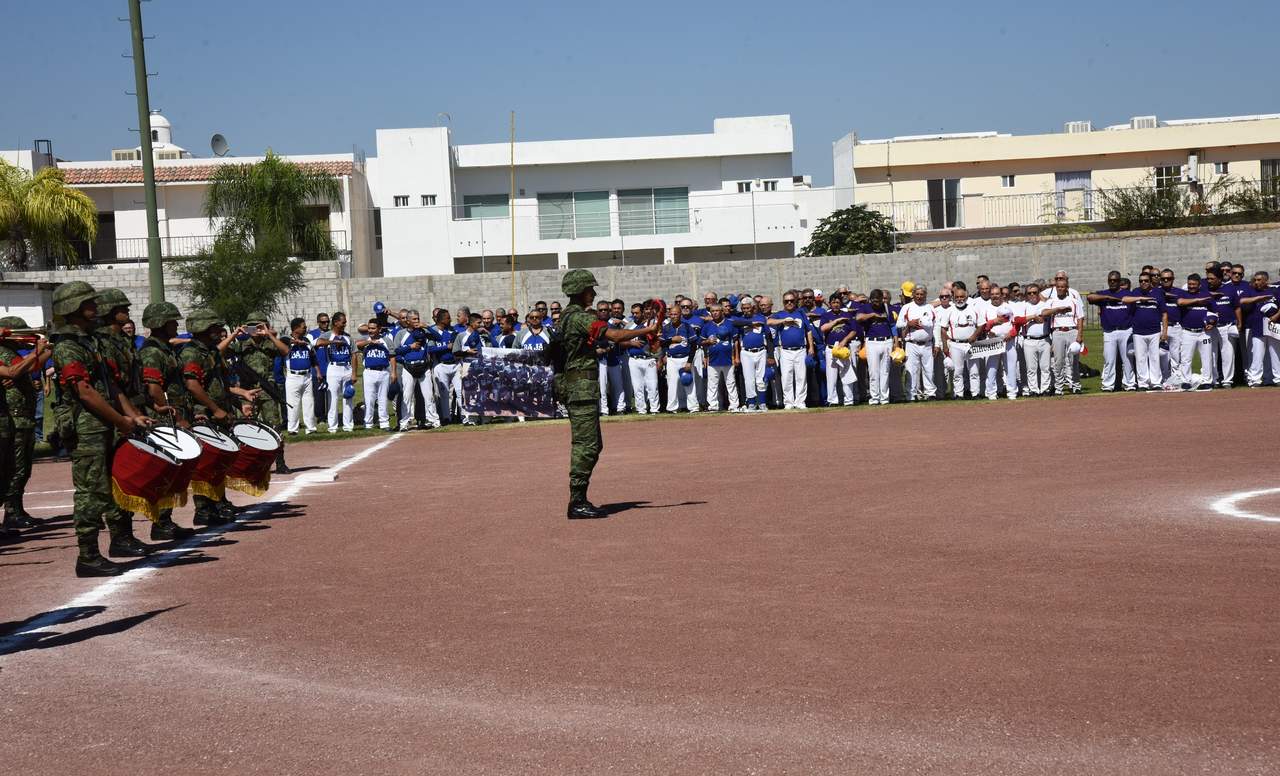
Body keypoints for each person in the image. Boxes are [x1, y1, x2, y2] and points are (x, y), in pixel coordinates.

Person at [49, 282, 153, 576]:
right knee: (91, 492)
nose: (95, 306)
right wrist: (121, 421)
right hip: (86, 429)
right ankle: (88, 556)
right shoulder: (67, 346)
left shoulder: (91, 342)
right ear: (73, 307)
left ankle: (117, 541)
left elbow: (111, 386)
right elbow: (84, 392)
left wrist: (132, 416)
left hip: (104, 425)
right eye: (88, 302)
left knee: (112, 484)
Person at [553, 269, 659, 519]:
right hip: (581, 389)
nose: (593, 293)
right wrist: (647, 330)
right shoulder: (579, 317)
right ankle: (577, 502)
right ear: (580, 291)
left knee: (592, 445)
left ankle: (579, 499)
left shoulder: (568, 316)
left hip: (579, 387)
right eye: (590, 289)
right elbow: (614, 334)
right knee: (586, 446)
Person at [183, 309, 259, 525]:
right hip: (203, 414)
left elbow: (221, 385)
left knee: (219, 462)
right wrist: (214, 409)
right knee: (205, 462)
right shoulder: (191, 353)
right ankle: (203, 509)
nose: (219, 330)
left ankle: (218, 502)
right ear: (203, 328)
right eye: (214, 327)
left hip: (220, 412)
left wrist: (239, 402)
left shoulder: (212, 352)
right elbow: (192, 385)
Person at [136, 301, 197, 540]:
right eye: (172, 321)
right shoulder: (152, 352)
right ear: (160, 324)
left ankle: (164, 520)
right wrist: (176, 417)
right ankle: (159, 523)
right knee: (163, 469)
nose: (176, 325)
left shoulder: (164, 349)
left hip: (173, 415)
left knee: (172, 469)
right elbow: (154, 388)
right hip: (162, 419)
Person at [0, 317, 50, 535]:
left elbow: (33, 366)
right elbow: (14, 372)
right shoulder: (2, 352)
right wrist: (36, 351)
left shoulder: (11, 353)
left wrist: (45, 348)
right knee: (14, 469)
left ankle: (17, 510)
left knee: (22, 469)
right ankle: (12, 513)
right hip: (15, 418)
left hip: (24, 417)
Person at [232, 312, 291, 471]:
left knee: (274, 426)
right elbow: (220, 351)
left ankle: (280, 462)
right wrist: (235, 334)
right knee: (246, 426)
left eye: (258, 326)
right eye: (252, 326)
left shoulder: (270, 344)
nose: (255, 329)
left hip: (267, 390)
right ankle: (246, 463)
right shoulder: (241, 345)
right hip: (247, 390)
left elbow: (285, 351)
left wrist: (269, 334)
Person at [1085, 271, 1136, 392]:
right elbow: (1089, 297)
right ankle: (1108, 385)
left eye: (1115, 280)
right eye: (1110, 280)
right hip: (1109, 332)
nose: (1112, 282)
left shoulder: (1127, 294)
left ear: (1119, 281)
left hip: (1126, 330)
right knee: (1109, 360)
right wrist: (1106, 298)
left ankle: (1129, 384)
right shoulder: (1104, 293)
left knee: (1127, 360)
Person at [393, 311, 441, 431]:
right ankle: (405, 422)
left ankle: (433, 420)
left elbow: (439, 338)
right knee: (407, 396)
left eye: (418, 319)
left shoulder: (423, 332)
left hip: (424, 367)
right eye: (414, 319)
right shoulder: (401, 333)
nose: (417, 321)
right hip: (408, 367)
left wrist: (427, 327)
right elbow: (395, 351)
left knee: (429, 395)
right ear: (408, 321)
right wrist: (410, 347)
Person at [766, 291, 814, 409]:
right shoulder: (780, 314)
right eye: (786, 301)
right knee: (786, 377)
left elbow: (808, 330)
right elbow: (768, 322)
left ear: (795, 301)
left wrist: (811, 347)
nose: (789, 303)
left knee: (801, 377)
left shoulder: (800, 313)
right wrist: (783, 321)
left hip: (801, 349)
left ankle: (800, 401)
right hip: (785, 350)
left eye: (791, 301)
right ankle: (788, 402)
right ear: (783, 302)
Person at [1041, 272, 1085, 395]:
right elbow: (1043, 313)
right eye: (1058, 287)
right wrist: (1057, 310)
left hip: (1072, 331)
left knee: (1073, 361)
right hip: (1058, 332)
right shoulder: (1052, 301)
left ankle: (1076, 385)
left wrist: (1080, 335)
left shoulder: (1074, 300)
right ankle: (1059, 387)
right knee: (1058, 361)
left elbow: (1080, 318)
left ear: (1067, 288)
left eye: (1063, 287)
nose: (1060, 289)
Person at [1121, 276, 1164, 390]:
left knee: (1154, 357)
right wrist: (1140, 298)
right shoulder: (1136, 292)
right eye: (1141, 281)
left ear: (1150, 282)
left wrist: (1164, 331)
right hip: (1138, 331)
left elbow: (1164, 313)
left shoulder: (1158, 292)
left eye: (1146, 281)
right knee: (1140, 358)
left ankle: (1156, 382)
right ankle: (1143, 383)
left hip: (1154, 330)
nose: (1143, 283)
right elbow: (1124, 299)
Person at [314, 312, 356, 432]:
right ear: (336, 322)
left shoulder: (348, 337)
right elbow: (318, 343)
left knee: (348, 396)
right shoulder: (328, 335)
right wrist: (334, 342)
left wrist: (354, 373)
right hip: (333, 368)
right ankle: (332, 427)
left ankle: (348, 426)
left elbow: (354, 355)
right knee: (332, 398)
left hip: (347, 368)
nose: (345, 324)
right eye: (343, 322)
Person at [730, 297, 772, 412]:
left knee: (761, 379)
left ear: (753, 307)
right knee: (749, 380)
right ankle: (752, 403)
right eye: (743, 308)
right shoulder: (740, 320)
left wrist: (770, 355)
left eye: (748, 308)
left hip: (761, 351)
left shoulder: (760, 318)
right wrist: (750, 323)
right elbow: (733, 322)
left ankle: (762, 403)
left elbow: (768, 337)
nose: (746, 310)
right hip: (746, 353)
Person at [940, 281, 980, 399]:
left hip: (971, 344)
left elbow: (981, 324)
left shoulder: (973, 309)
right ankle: (959, 394)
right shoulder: (949, 310)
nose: (959, 299)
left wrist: (975, 335)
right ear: (953, 297)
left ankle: (975, 393)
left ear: (966, 297)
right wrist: (945, 346)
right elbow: (943, 329)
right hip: (955, 344)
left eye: (962, 297)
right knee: (958, 371)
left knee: (974, 371)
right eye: (957, 297)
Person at [817, 293, 859, 406]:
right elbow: (823, 328)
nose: (835, 304)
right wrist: (836, 321)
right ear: (830, 304)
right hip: (831, 349)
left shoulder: (847, 314)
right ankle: (833, 400)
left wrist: (845, 340)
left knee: (846, 374)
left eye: (837, 302)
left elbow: (854, 331)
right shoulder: (826, 315)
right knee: (831, 376)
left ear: (841, 303)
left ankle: (849, 400)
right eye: (833, 302)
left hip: (844, 348)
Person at [1239, 271, 1279, 387]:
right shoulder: (1251, 290)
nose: (1256, 282)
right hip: (1257, 327)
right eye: (1255, 280)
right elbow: (1242, 301)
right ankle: (1255, 379)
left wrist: (1276, 316)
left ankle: (1277, 378)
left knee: (1275, 354)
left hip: (1273, 326)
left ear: (1266, 280)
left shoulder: (1274, 291)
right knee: (1257, 354)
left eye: (1259, 280)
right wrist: (1258, 298)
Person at [858, 289, 898, 406]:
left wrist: (896, 342)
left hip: (887, 340)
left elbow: (892, 326)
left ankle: (884, 398)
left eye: (879, 301)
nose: (877, 303)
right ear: (870, 299)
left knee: (885, 371)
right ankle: (874, 397)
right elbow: (858, 318)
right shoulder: (865, 307)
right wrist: (872, 315)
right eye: (874, 301)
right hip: (872, 341)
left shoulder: (886, 308)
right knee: (873, 372)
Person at [1175, 274, 1215, 390]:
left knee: (1206, 357)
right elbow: (1180, 302)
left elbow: (1215, 312)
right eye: (1190, 284)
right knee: (1186, 358)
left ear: (1199, 285)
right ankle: (1185, 381)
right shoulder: (1183, 293)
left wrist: (1212, 323)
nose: (1191, 286)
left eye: (1194, 284)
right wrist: (1197, 300)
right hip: (1187, 332)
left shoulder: (1206, 295)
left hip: (1204, 332)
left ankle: (1207, 381)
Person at [897, 285, 936, 401]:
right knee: (911, 370)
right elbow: (899, 324)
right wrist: (908, 324)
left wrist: (937, 344)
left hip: (927, 343)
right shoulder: (907, 307)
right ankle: (911, 394)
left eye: (922, 294)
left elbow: (936, 325)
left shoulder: (930, 307)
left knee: (929, 370)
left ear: (925, 295)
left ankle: (930, 393)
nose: (919, 296)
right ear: (913, 295)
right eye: (917, 294)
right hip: (911, 343)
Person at [1011, 283, 1051, 396]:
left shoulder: (1045, 304)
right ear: (1026, 294)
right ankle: (1033, 389)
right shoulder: (1024, 305)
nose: (1032, 295)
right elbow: (1017, 320)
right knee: (1031, 368)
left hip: (1044, 339)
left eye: (1035, 292)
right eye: (1029, 293)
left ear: (1039, 293)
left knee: (1045, 367)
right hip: (1029, 340)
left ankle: (1045, 389)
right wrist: (1033, 317)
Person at [700, 302, 740, 412]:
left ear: (722, 312)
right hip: (713, 359)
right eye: (713, 311)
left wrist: (736, 356)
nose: (715, 313)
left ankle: (734, 406)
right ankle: (713, 406)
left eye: (717, 311)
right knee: (712, 384)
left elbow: (735, 341)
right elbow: (701, 342)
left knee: (731, 383)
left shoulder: (730, 324)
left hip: (728, 358)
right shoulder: (707, 326)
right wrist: (707, 342)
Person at [283, 318, 320, 435]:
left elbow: (313, 358)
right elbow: (283, 341)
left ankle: (311, 428)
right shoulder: (286, 340)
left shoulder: (307, 340)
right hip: (293, 376)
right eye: (303, 327)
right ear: (296, 328)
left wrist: (318, 372)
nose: (305, 328)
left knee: (309, 403)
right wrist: (297, 342)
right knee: (293, 404)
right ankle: (293, 429)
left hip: (307, 376)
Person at [1205, 266, 1241, 388]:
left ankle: (1227, 381)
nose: (1209, 281)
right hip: (1211, 328)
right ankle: (1214, 380)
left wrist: (1239, 322)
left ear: (1220, 279)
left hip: (1227, 326)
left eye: (1212, 279)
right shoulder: (1204, 289)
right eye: (1208, 278)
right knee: (1211, 354)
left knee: (1228, 355)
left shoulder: (1230, 289)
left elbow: (1237, 307)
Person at [623, 302, 661, 415]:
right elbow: (620, 342)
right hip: (634, 359)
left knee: (652, 386)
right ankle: (641, 409)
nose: (635, 315)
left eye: (637, 313)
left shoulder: (650, 324)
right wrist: (631, 343)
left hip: (649, 358)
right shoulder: (629, 326)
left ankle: (654, 409)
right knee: (637, 386)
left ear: (643, 312)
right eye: (633, 313)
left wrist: (659, 358)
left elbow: (658, 341)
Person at [357, 318, 395, 430]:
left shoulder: (386, 340)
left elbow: (392, 356)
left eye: (373, 328)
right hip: (369, 372)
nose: (370, 330)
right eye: (369, 328)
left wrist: (393, 372)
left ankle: (384, 423)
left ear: (379, 329)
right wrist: (370, 342)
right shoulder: (366, 340)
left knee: (383, 399)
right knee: (369, 399)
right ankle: (368, 423)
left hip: (383, 372)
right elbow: (357, 345)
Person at [661, 304, 699, 413]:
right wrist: (672, 340)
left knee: (689, 382)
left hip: (685, 358)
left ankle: (693, 407)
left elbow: (693, 345)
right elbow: (661, 343)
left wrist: (689, 362)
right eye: (671, 314)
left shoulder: (687, 327)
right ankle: (672, 408)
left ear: (680, 314)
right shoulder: (666, 328)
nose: (673, 316)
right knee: (672, 384)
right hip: (672, 359)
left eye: (676, 314)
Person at [309, 312, 332, 427]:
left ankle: (330, 416)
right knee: (319, 395)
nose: (326, 324)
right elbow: (309, 346)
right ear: (318, 322)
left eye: (328, 321)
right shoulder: (312, 334)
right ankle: (320, 417)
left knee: (330, 395)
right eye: (323, 322)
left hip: (331, 369)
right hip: (318, 369)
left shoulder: (332, 333)